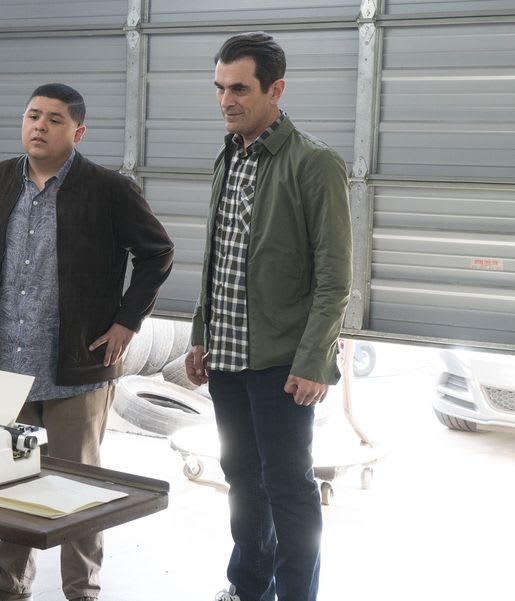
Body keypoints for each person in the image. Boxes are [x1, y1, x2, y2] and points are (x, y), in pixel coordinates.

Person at [0, 83, 174, 601]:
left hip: (77, 366)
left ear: (78, 131)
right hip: (7, 364)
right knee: (9, 476)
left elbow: (157, 252)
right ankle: (8, 582)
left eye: (54, 119)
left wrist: (128, 321)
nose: (40, 126)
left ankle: (82, 590)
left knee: (80, 486)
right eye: (33, 115)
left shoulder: (108, 189)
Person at [184, 32, 352, 601]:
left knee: (287, 486)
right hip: (227, 358)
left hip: (283, 364)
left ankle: (296, 595)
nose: (226, 100)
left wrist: (314, 361)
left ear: (275, 90)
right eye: (219, 88)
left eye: (239, 89)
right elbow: (219, 257)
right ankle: (246, 588)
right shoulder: (229, 157)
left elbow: (334, 278)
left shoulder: (314, 163)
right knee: (241, 481)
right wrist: (200, 336)